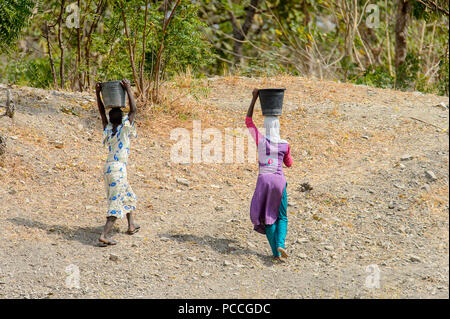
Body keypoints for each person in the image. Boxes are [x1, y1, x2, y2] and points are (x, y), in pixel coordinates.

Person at [245, 88, 293, 262]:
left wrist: (254, 98)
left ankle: (276, 253)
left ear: (265, 127)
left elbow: (248, 121)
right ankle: (281, 243)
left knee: (268, 218)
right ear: (278, 126)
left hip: (264, 181)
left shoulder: (260, 140)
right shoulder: (285, 144)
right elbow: (289, 163)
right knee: (282, 216)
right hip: (279, 182)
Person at [96, 79, 139, 246]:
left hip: (109, 168)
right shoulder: (124, 128)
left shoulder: (108, 128)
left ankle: (131, 225)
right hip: (118, 169)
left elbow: (101, 112)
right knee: (116, 200)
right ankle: (104, 234)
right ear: (122, 118)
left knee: (127, 195)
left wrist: (98, 93)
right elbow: (134, 109)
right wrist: (128, 89)